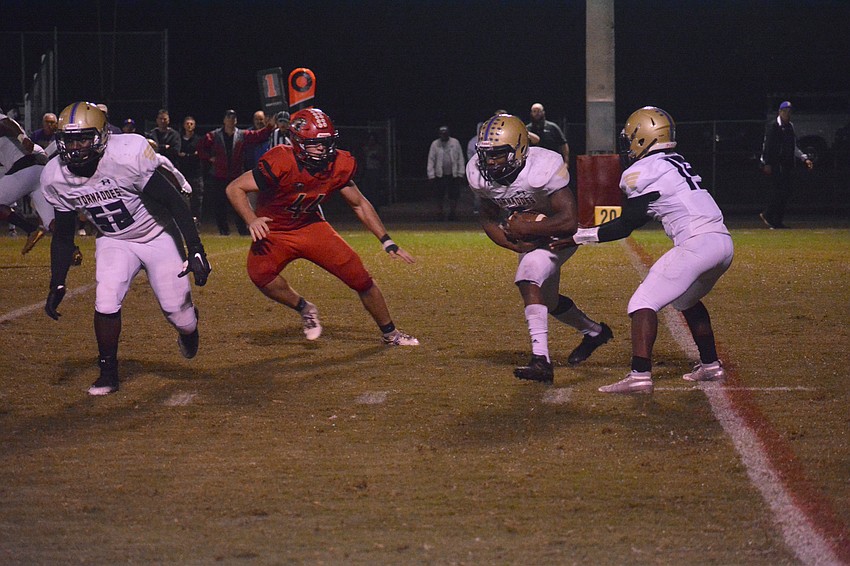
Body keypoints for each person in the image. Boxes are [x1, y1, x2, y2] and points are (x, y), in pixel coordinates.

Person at [551, 106, 734, 394]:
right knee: (686, 300)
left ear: (642, 139)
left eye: (629, 140)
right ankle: (711, 365)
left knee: (642, 302)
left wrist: (578, 236)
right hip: (722, 243)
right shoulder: (673, 161)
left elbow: (625, 225)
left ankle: (639, 376)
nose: (626, 148)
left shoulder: (642, 171)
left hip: (697, 244)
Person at [40, 101, 211, 396]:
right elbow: (64, 235)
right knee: (105, 300)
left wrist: (195, 247)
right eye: (70, 140)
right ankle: (108, 372)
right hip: (114, 239)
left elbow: (172, 201)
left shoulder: (126, 155)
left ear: (103, 135)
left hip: (157, 235)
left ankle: (190, 329)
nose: (77, 147)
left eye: (83, 138)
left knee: (178, 315)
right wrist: (57, 281)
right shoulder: (56, 177)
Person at [225, 107, 419, 346]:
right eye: (316, 144)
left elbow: (359, 204)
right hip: (275, 230)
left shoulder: (338, 163)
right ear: (297, 142)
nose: (324, 149)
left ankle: (391, 333)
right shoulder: (280, 160)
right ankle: (304, 308)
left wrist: (386, 240)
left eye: (327, 143)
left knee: (360, 278)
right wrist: (251, 219)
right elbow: (235, 187)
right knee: (260, 275)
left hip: (311, 227)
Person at [467, 113, 613, 383]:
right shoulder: (480, 174)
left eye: (498, 154)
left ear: (520, 149)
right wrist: (513, 244)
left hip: (559, 237)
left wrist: (529, 230)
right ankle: (595, 332)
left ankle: (540, 360)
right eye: (485, 154)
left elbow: (569, 221)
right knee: (549, 301)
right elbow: (487, 217)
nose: (489, 161)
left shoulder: (543, 166)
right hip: (532, 239)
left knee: (527, 276)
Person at [198, 108, 273, 235]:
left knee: (238, 203)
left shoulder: (242, 135)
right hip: (219, 175)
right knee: (219, 204)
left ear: (236, 120)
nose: (231, 120)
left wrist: (270, 126)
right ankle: (223, 231)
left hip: (235, 174)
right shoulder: (215, 135)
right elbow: (200, 146)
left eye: (233, 118)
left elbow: (259, 135)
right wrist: (209, 158)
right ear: (224, 120)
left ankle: (242, 230)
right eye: (228, 117)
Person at [0, 108, 53, 254]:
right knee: (50, 222)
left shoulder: (6, 123)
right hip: (40, 171)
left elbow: (5, 122)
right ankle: (73, 251)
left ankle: (29, 229)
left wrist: (22, 138)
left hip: (25, 169)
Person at [759, 100, 813, 229]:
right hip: (776, 164)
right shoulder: (774, 126)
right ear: (780, 112)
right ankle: (768, 215)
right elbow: (768, 146)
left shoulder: (790, 127)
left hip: (787, 164)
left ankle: (777, 220)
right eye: (785, 112)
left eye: (789, 112)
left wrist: (804, 158)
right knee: (779, 191)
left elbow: (793, 146)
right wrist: (766, 163)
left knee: (786, 192)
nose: (788, 114)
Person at [427, 125, 465, 220]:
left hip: (453, 174)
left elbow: (460, 158)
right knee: (439, 195)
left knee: (454, 195)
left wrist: (461, 173)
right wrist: (431, 174)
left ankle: (452, 213)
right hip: (440, 175)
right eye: (442, 134)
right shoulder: (435, 144)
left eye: (445, 134)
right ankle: (440, 213)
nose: (443, 136)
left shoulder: (455, 143)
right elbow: (431, 159)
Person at [177, 115, 204, 228]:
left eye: (191, 124)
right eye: (187, 123)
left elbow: (199, 155)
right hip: (182, 174)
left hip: (195, 174)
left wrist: (186, 156)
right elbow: (177, 153)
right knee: (182, 200)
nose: (189, 126)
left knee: (196, 200)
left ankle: (196, 223)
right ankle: (184, 224)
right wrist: (190, 155)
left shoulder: (198, 140)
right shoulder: (179, 139)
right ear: (184, 125)